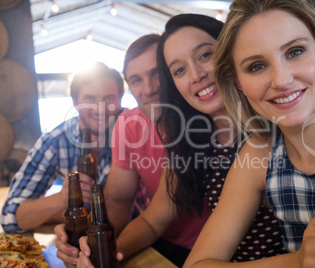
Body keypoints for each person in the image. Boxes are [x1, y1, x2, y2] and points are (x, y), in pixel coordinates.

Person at [184, 0, 315, 267]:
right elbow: (199, 264)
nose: (281, 80)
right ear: (238, 84)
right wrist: (298, 260)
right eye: (256, 66)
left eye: (295, 51)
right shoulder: (260, 153)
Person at [77, 13, 286, 268]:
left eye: (205, 55)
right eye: (179, 70)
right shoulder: (193, 141)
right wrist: (106, 253)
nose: (196, 75)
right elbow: (153, 220)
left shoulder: (279, 124)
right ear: (174, 85)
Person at [54, 34, 211, 268]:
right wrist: (95, 249)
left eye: (158, 73)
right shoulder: (128, 124)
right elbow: (120, 202)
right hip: (160, 242)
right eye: (136, 80)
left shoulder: (209, 121)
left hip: (222, 250)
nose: (149, 88)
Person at [1, 62, 124, 233]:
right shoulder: (54, 141)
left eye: (109, 98)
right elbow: (10, 217)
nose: (99, 108)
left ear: (120, 101)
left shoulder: (136, 133)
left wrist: (63, 214)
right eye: (89, 98)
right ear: (74, 102)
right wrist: (62, 200)